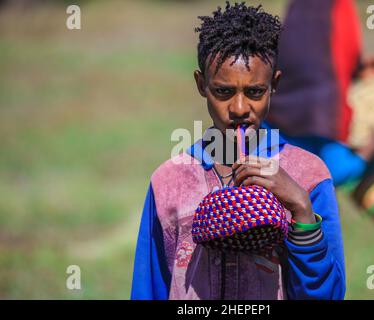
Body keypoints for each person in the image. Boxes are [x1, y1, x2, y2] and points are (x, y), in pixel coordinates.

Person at [131, 2, 345, 300]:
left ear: (275, 84)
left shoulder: (309, 176)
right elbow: (148, 289)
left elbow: (328, 296)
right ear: (201, 84)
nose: (240, 108)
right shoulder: (169, 181)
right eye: (223, 91)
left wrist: (300, 208)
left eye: (255, 92)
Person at [264, 0, 374, 227]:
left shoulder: (303, 9)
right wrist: (370, 149)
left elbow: (325, 50)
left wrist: (359, 68)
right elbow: (327, 176)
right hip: (324, 122)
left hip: (290, 111)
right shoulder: (336, 7)